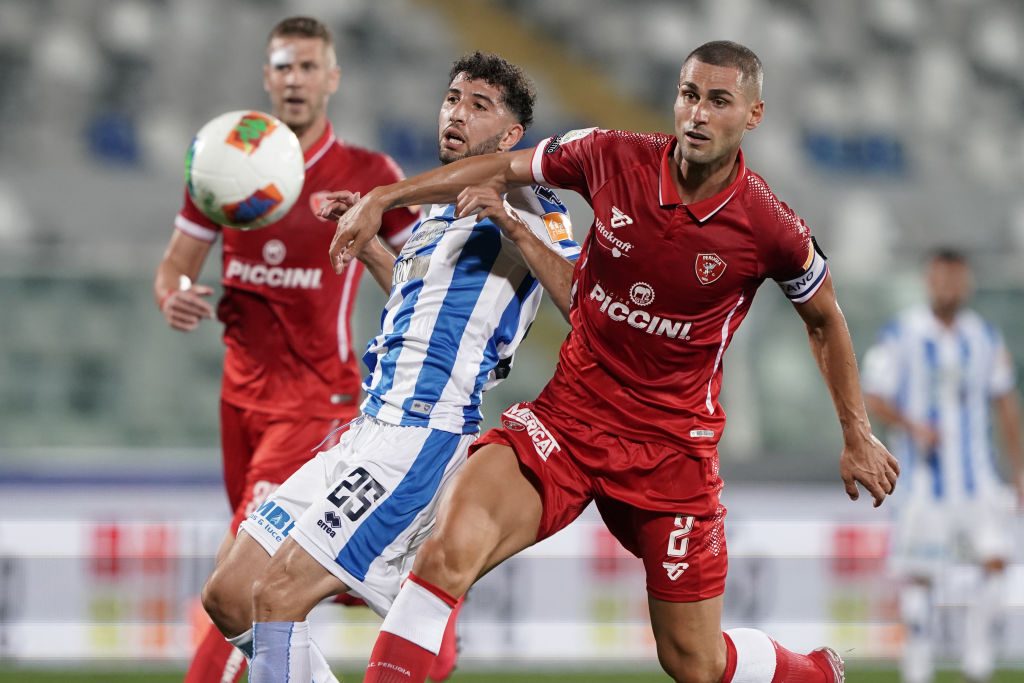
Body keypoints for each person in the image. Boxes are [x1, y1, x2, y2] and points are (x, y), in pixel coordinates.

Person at [329, 40, 903, 683]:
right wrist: (387, 197)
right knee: (443, 554)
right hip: (567, 421)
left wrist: (855, 431)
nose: (698, 114)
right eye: (690, 95)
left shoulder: (768, 227)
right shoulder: (611, 155)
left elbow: (825, 318)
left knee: (695, 663)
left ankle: (812, 673)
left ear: (753, 115)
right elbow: (498, 168)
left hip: (671, 449)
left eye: (719, 101)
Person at [199, 51, 580, 683]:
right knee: (230, 591)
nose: (456, 113)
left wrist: (509, 220)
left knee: (278, 599)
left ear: (512, 137)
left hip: (419, 436)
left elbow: (579, 297)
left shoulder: (530, 198)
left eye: (479, 106)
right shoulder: (438, 209)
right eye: (452, 98)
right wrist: (376, 247)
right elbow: (418, 303)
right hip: (366, 427)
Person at [153, 16, 421, 683]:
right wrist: (176, 294)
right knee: (260, 581)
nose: (295, 79)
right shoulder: (221, 160)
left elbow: (423, 282)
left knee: (231, 583)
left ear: (332, 78)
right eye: (283, 66)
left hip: (313, 405)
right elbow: (175, 266)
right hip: (238, 400)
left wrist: (374, 243)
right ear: (266, 76)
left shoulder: (368, 174)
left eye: (308, 67)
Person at [862, 248, 1023, 683]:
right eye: (940, 278)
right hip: (922, 482)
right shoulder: (901, 334)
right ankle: (918, 671)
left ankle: (978, 664)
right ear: (928, 281)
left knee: (994, 561)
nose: (948, 286)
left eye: (955, 278)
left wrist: (1019, 472)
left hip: (978, 479)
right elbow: (872, 395)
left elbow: (1005, 403)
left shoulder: (985, 337)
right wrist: (913, 426)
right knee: (920, 577)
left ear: (966, 283)